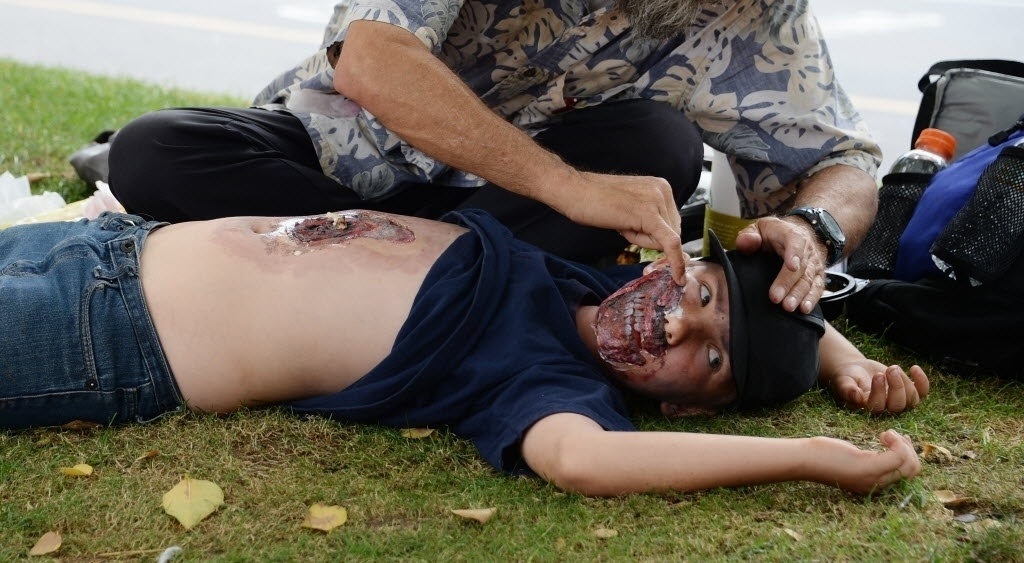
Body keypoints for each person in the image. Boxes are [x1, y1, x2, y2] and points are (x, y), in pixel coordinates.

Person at [107, 0, 881, 314]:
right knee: (151, 153)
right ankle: (446, 284)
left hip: (502, 216)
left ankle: (368, 278)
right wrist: (568, 187)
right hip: (337, 164)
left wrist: (813, 227)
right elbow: (373, 59)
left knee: (660, 144)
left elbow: (846, 158)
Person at [1, 208, 927, 496]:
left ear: (686, 408)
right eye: (699, 291)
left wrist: (813, 456)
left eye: (709, 361)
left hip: (111, 337)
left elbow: (585, 461)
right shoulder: (590, 283)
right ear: (666, 266)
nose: (678, 323)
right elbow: (759, 304)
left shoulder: (549, 384)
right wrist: (839, 359)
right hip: (115, 242)